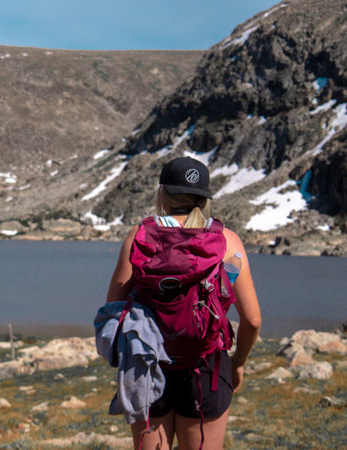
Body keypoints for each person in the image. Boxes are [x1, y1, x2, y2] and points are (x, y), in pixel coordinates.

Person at [105, 157, 261, 450]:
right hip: (207, 369)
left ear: (162, 192)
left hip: (147, 366)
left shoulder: (138, 236)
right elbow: (252, 320)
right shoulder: (227, 241)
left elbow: (113, 306)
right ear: (204, 199)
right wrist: (238, 363)